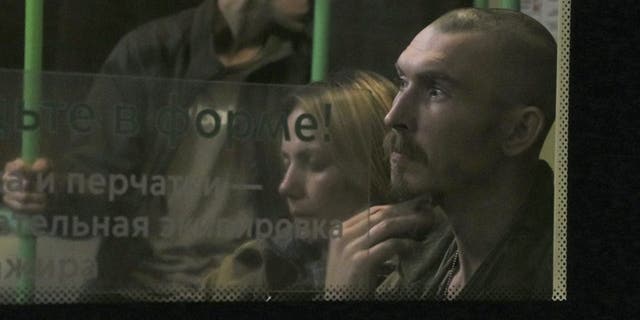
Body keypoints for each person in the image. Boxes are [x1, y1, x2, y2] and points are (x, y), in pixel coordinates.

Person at [2, 0, 311, 301]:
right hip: (140, 285)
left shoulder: (305, 61)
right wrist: (45, 191)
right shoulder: (151, 52)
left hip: (250, 286)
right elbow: (94, 182)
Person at [324, 8, 557, 300]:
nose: (393, 116)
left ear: (518, 131)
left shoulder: (555, 274)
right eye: (403, 82)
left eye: (435, 91)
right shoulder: (420, 251)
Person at [203, 70, 397, 300]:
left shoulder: (423, 278)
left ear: (374, 169)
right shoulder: (254, 267)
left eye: (314, 163)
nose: (286, 187)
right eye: (286, 161)